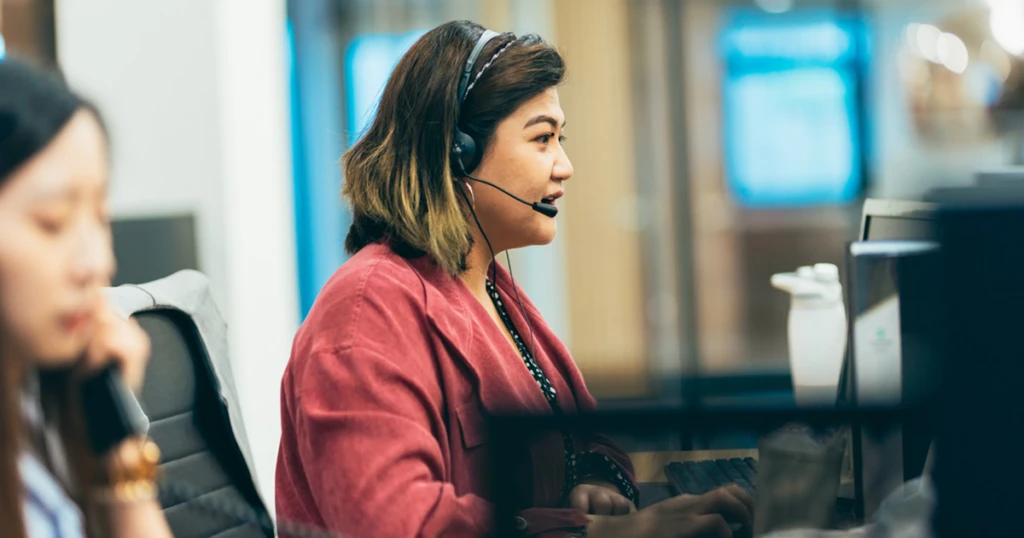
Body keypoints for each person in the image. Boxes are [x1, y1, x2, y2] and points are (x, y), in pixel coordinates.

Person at [276, 20, 754, 538]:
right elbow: (394, 524)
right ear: (457, 152)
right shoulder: (367, 309)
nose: (564, 166)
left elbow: (584, 431)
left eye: (560, 138)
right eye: (543, 138)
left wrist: (598, 481)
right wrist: (592, 532)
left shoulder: (489, 288)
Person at [0, 56, 173, 538]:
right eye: (52, 222)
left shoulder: (36, 417)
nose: (98, 264)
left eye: (100, 218)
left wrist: (114, 447)